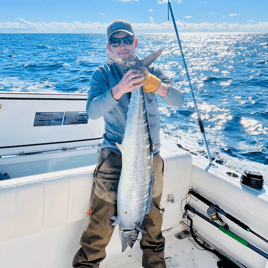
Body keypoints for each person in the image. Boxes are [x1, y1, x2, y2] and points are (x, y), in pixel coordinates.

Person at [73, 20, 184, 268]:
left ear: (135, 42)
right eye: (116, 41)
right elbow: (92, 111)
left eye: (126, 40)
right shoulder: (102, 74)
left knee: (153, 220)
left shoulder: (153, 73)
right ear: (109, 46)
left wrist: (155, 85)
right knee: (101, 222)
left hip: (149, 155)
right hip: (114, 154)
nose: (122, 46)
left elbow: (178, 100)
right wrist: (121, 88)